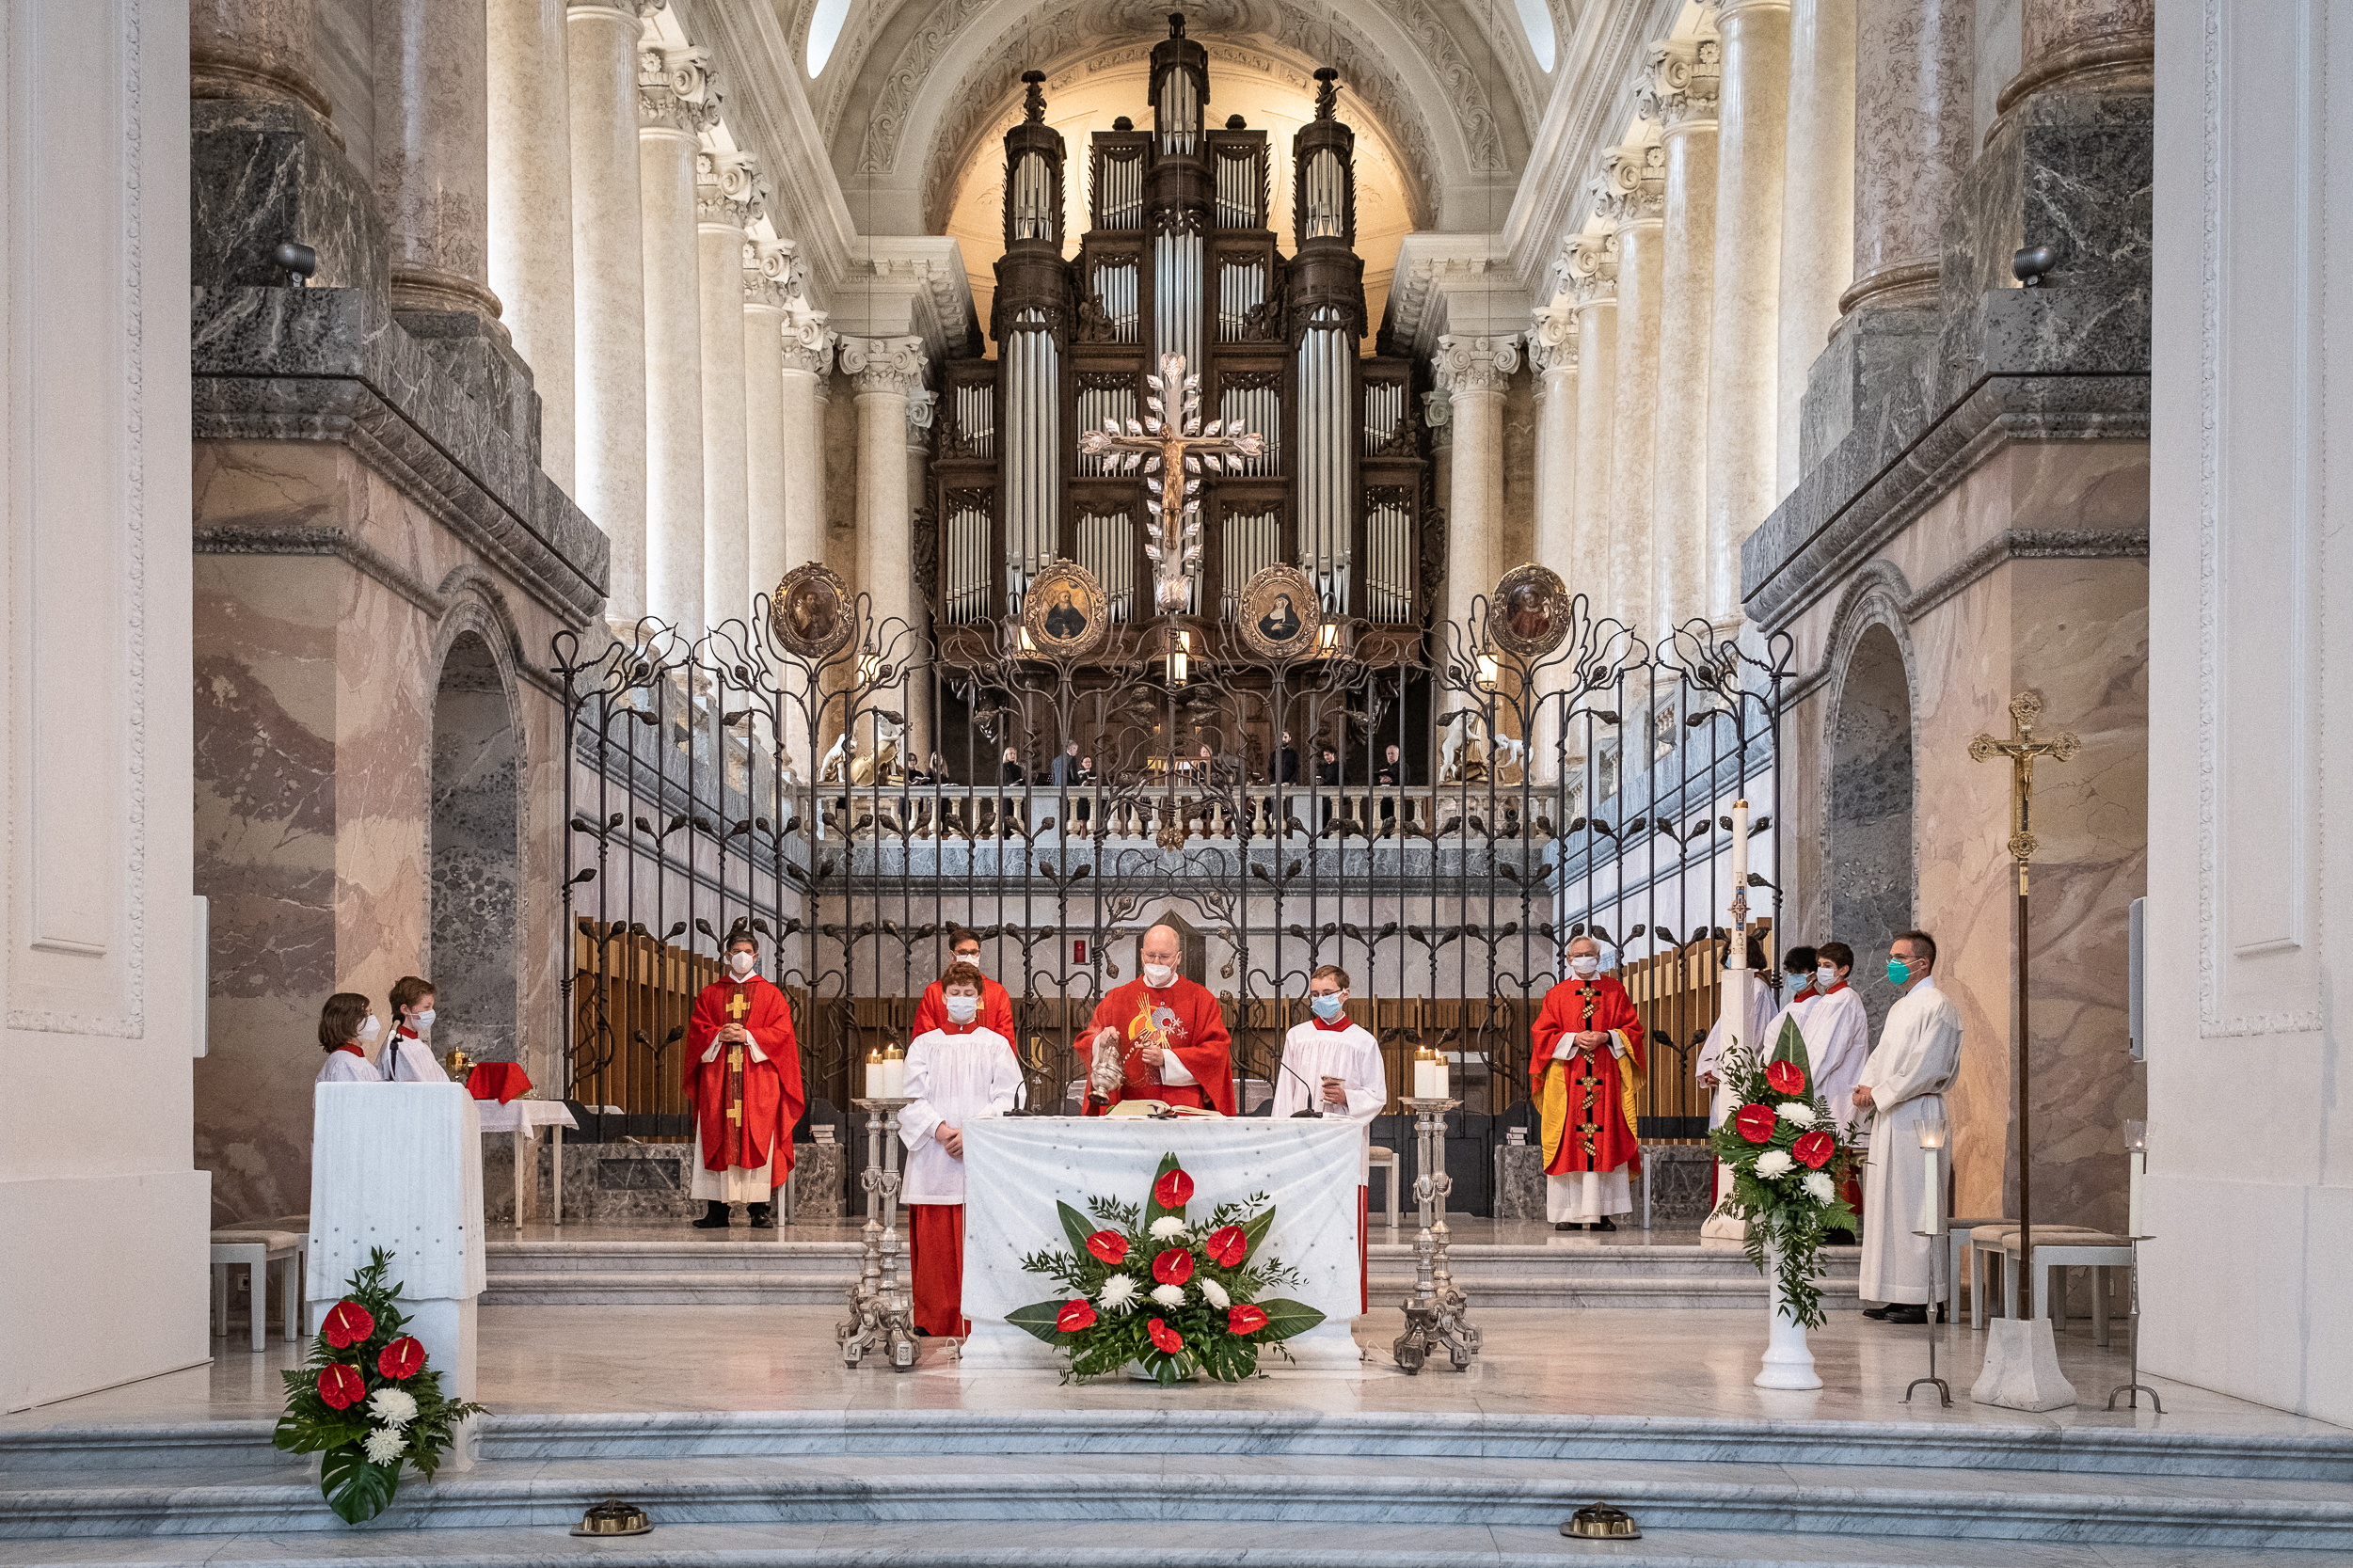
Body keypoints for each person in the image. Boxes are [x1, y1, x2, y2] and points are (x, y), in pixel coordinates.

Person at [900, 961, 1024, 1337]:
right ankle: (934, 1317)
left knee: (979, 1241)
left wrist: (972, 1133)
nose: (961, 999)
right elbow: (910, 1097)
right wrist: (939, 1130)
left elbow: (1010, 1097)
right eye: (955, 993)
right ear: (943, 998)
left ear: (980, 1000)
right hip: (934, 1158)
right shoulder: (924, 1045)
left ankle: (979, 1319)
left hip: (979, 1155)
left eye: (969, 994)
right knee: (936, 1244)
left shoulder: (996, 1044)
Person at [1852, 930, 1963, 1323]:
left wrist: (1880, 1093)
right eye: (1891, 956)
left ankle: (1925, 1297)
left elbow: (1927, 1066)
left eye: (1899, 957)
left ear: (1923, 963)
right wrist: (1866, 1086)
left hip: (1918, 1113)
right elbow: (1882, 1056)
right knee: (1890, 1206)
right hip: (1892, 1115)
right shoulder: (1902, 1007)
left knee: (1918, 1204)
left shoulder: (1939, 1006)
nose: (1892, 964)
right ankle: (1897, 1292)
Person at [1271, 965, 1384, 1310]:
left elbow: (1377, 1095)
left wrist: (1348, 1097)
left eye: (1327, 994)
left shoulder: (1363, 1041)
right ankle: (1298, 1300)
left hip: (1343, 1149)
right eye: (1315, 995)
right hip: (1301, 1145)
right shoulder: (1298, 1037)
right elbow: (1285, 1093)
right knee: (1300, 1231)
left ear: (1345, 995)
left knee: (1341, 1231)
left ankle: (1343, 1306)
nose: (1320, 1000)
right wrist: (1280, 1139)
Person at [683, 931, 805, 1229]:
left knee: (759, 1137)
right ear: (727, 956)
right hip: (718, 1082)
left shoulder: (771, 995)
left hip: (758, 1082)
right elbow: (697, 1033)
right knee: (716, 1137)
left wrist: (749, 1035)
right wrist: (717, 1035)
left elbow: (783, 1035)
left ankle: (759, 1209)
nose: (741, 956)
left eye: (747, 951)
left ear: (756, 956)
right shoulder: (710, 994)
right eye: (736, 951)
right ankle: (716, 1210)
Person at [1530, 935, 1646, 1230]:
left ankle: (1602, 1213)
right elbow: (1541, 1034)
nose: (1584, 959)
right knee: (1569, 1143)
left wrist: (1606, 1036)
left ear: (1598, 957)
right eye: (1578, 955)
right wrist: (1572, 1038)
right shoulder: (1556, 994)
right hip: (1568, 1079)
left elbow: (1633, 1029)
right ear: (1569, 960)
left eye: (1590, 954)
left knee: (1606, 1140)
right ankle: (1567, 1214)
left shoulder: (1614, 990)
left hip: (1605, 1078)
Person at [1083, 925, 1235, 1115]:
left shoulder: (1201, 999)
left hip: (1185, 1109)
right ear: (1141, 954)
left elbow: (1216, 1053)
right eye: (1150, 955)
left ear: (1178, 957)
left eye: (1164, 957)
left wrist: (1166, 1059)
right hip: (1129, 1109)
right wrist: (1101, 1041)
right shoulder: (1117, 998)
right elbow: (1087, 1040)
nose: (1156, 962)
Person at [911, 927, 1017, 1045]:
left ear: (979, 954)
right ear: (952, 955)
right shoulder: (934, 991)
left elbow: (1005, 1039)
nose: (968, 957)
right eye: (962, 952)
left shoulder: (996, 992)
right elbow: (924, 1038)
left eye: (973, 952)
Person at [378, 974, 449, 1082]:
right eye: (426, 1007)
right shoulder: (398, 1047)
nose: (431, 1012)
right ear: (405, 1009)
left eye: (432, 1007)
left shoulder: (417, 1044)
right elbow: (415, 1087)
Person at [315, 992, 382, 1084]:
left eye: (370, 1013)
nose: (370, 1019)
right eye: (365, 1014)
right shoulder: (345, 1064)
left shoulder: (351, 1059)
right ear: (347, 1021)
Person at [1375, 743, 1408, 835]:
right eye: (1388, 753)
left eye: (1392, 753)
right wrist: (1381, 781)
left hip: (1396, 798)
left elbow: (1405, 780)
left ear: (1398, 754)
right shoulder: (1382, 766)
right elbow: (1374, 781)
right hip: (1383, 799)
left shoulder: (1403, 766)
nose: (1390, 755)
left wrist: (1391, 781)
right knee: (1383, 820)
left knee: (1396, 819)